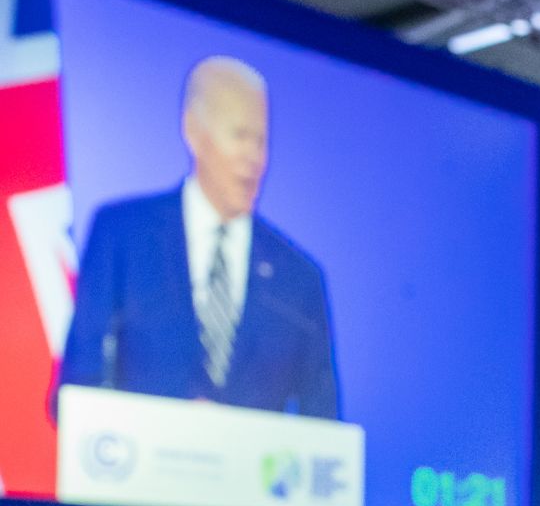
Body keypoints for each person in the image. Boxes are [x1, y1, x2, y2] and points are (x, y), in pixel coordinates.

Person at [58, 56, 339, 418]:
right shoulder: (122, 235)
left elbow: (325, 425)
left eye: (261, 141)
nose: (253, 157)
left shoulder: (299, 279)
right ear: (193, 130)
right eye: (239, 135)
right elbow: (79, 386)